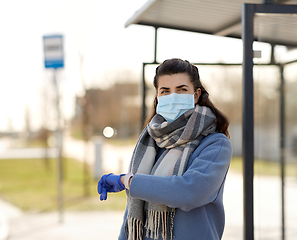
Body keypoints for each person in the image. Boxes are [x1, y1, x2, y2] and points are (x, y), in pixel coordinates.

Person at [97, 58, 232, 240]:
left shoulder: (215, 144)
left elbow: (189, 192)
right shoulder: (150, 141)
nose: (173, 97)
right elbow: (134, 209)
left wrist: (128, 181)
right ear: (157, 97)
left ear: (196, 94)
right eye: (165, 91)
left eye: (182, 89)